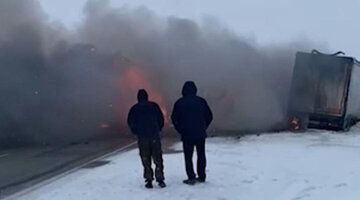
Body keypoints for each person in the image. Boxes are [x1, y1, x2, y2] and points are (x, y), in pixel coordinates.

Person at [171, 81, 213, 185]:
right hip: (200, 133)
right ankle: (202, 175)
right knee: (201, 154)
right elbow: (209, 116)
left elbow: (174, 118)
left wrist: (180, 129)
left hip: (187, 134)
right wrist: (204, 126)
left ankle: (191, 176)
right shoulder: (201, 101)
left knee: (188, 156)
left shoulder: (179, 103)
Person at [127, 89, 166, 188]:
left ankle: (149, 179)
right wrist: (158, 129)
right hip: (154, 135)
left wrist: (136, 132)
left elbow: (130, 122)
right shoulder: (154, 106)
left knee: (145, 158)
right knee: (158, 158)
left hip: (143, 137)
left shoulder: (134, 109)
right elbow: (161, 119)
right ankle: (160, 178)